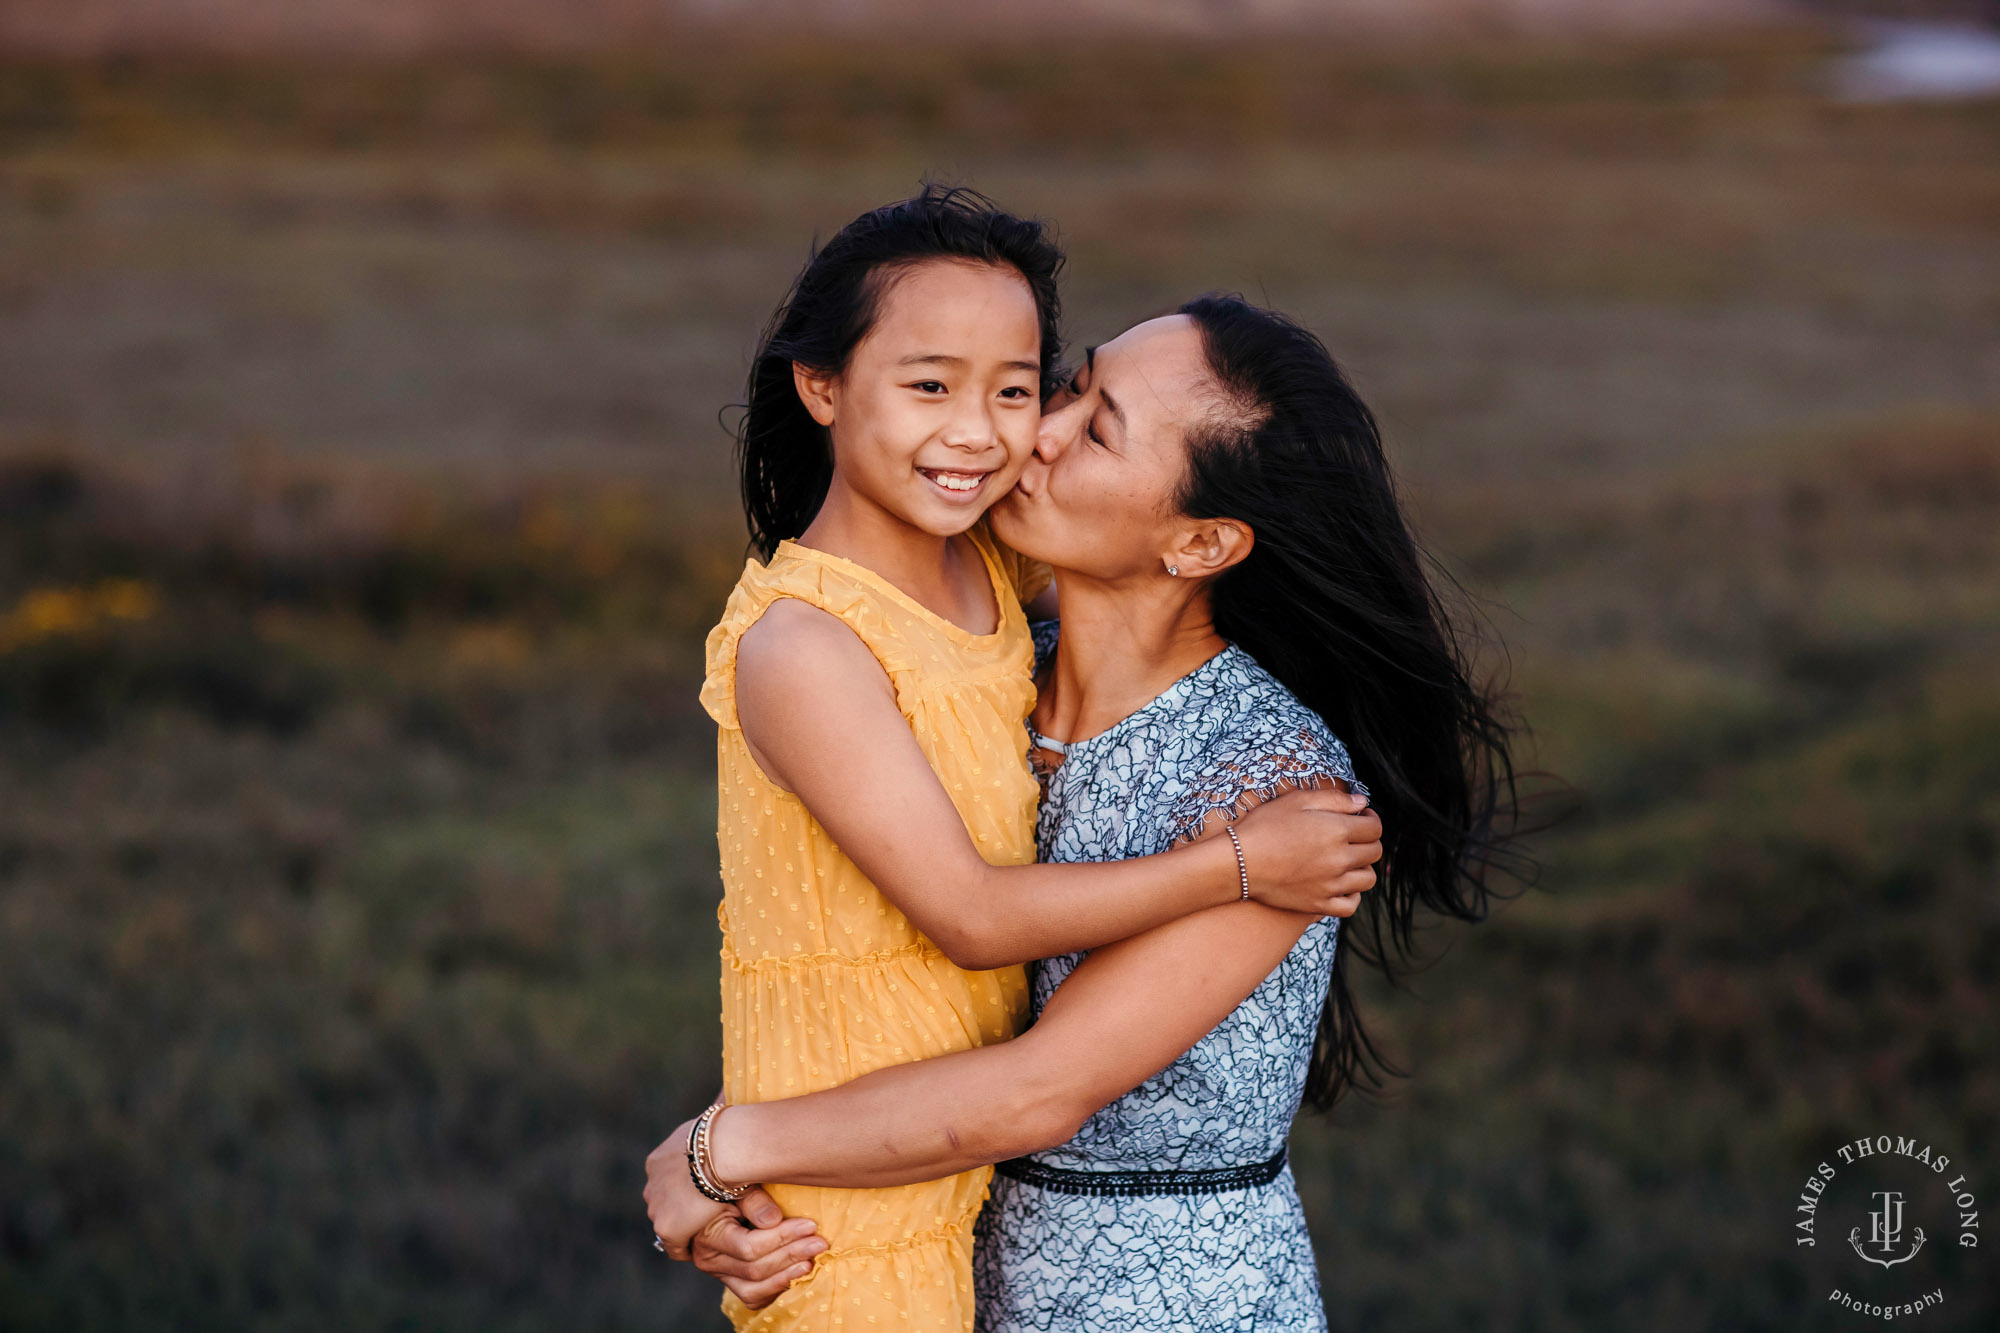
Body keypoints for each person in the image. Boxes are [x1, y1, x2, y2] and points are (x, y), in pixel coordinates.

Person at [647, 295, 1524, 1331]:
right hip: (940, 1272)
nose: (1037, 432)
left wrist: (718, 1150)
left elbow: (1036, 1093)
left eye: (1095, 428)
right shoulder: (988, 672)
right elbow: (866, 972)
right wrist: (762, 1199)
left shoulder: (1276, 795)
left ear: (1199, 543)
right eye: (1070, 384)